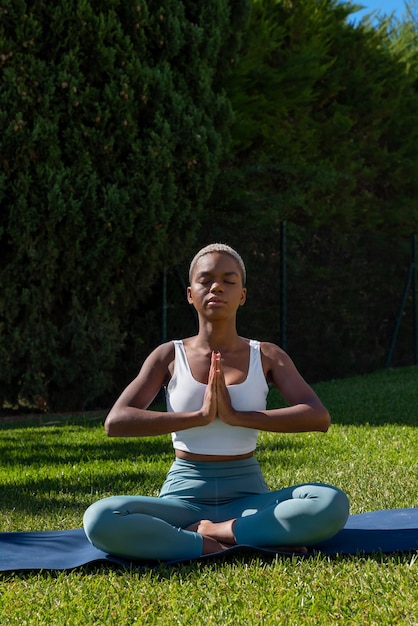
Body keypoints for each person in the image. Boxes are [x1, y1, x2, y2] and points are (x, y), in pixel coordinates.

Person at [83, 243, 349, 561]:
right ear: (190, 294)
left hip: (249, 497)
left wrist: (237, 416)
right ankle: (226, 542)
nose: (216, 287)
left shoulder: (265, 355)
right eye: (205, 279)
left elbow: (318, 418)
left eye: (228, 280)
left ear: (243, 295)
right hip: (182, 499)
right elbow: (116, 422)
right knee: (100, 518)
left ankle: (217, 532)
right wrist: (199, 416)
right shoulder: (168, 355)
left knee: (329, 501)